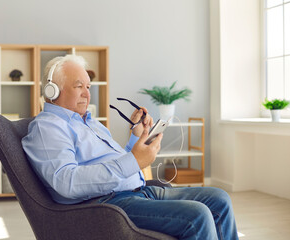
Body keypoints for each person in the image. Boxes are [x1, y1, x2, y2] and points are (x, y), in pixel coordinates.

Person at [22, 54, 239, 240]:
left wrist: (136, 137)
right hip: (107, 205)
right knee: (198, 215)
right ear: (52, 90)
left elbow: (117, 165)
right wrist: (134, 161)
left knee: (219, 199)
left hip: (138, 192)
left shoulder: (90, 122)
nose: (87, 94)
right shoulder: (48, 127)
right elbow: (65, 182)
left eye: (88, 86)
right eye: (79, 86)